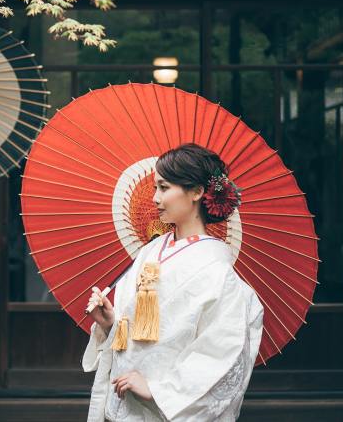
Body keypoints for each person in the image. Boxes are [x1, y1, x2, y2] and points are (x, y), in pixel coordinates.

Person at [84, 143, 264, 421]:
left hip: (163, 409)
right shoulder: (150, 252)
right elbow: (133, 330)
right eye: (156, 187)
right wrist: (109, 323)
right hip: (123, 401)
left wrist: (159, 390)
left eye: (164, 188)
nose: (155, 198)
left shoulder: (217, 272)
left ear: (196, 192)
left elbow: (220, 353)